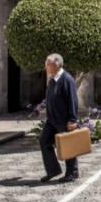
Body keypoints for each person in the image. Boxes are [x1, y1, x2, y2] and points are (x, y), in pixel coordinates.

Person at [39, 53, 79, 183]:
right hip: (52, 120)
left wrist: (72, 119)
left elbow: (73, 100)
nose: (46, 66)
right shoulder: (53, 79)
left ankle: (72, 172)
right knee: (44, 141)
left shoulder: (66, 79)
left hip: (64, 120)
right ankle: (53, 170)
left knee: (68, 145)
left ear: (56, 64)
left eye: (48, 63)